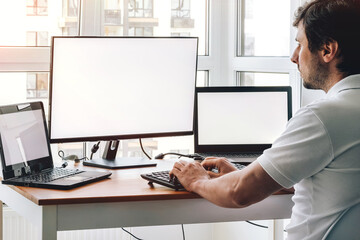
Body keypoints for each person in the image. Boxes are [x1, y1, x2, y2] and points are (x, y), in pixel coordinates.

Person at [170, 0, 360, 239]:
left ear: (327, 50)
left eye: (300, 44)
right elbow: (339, 178)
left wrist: (196, 180)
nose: (294, 57)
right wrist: (250, 172)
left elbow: (239, 193)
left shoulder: (322, 117)